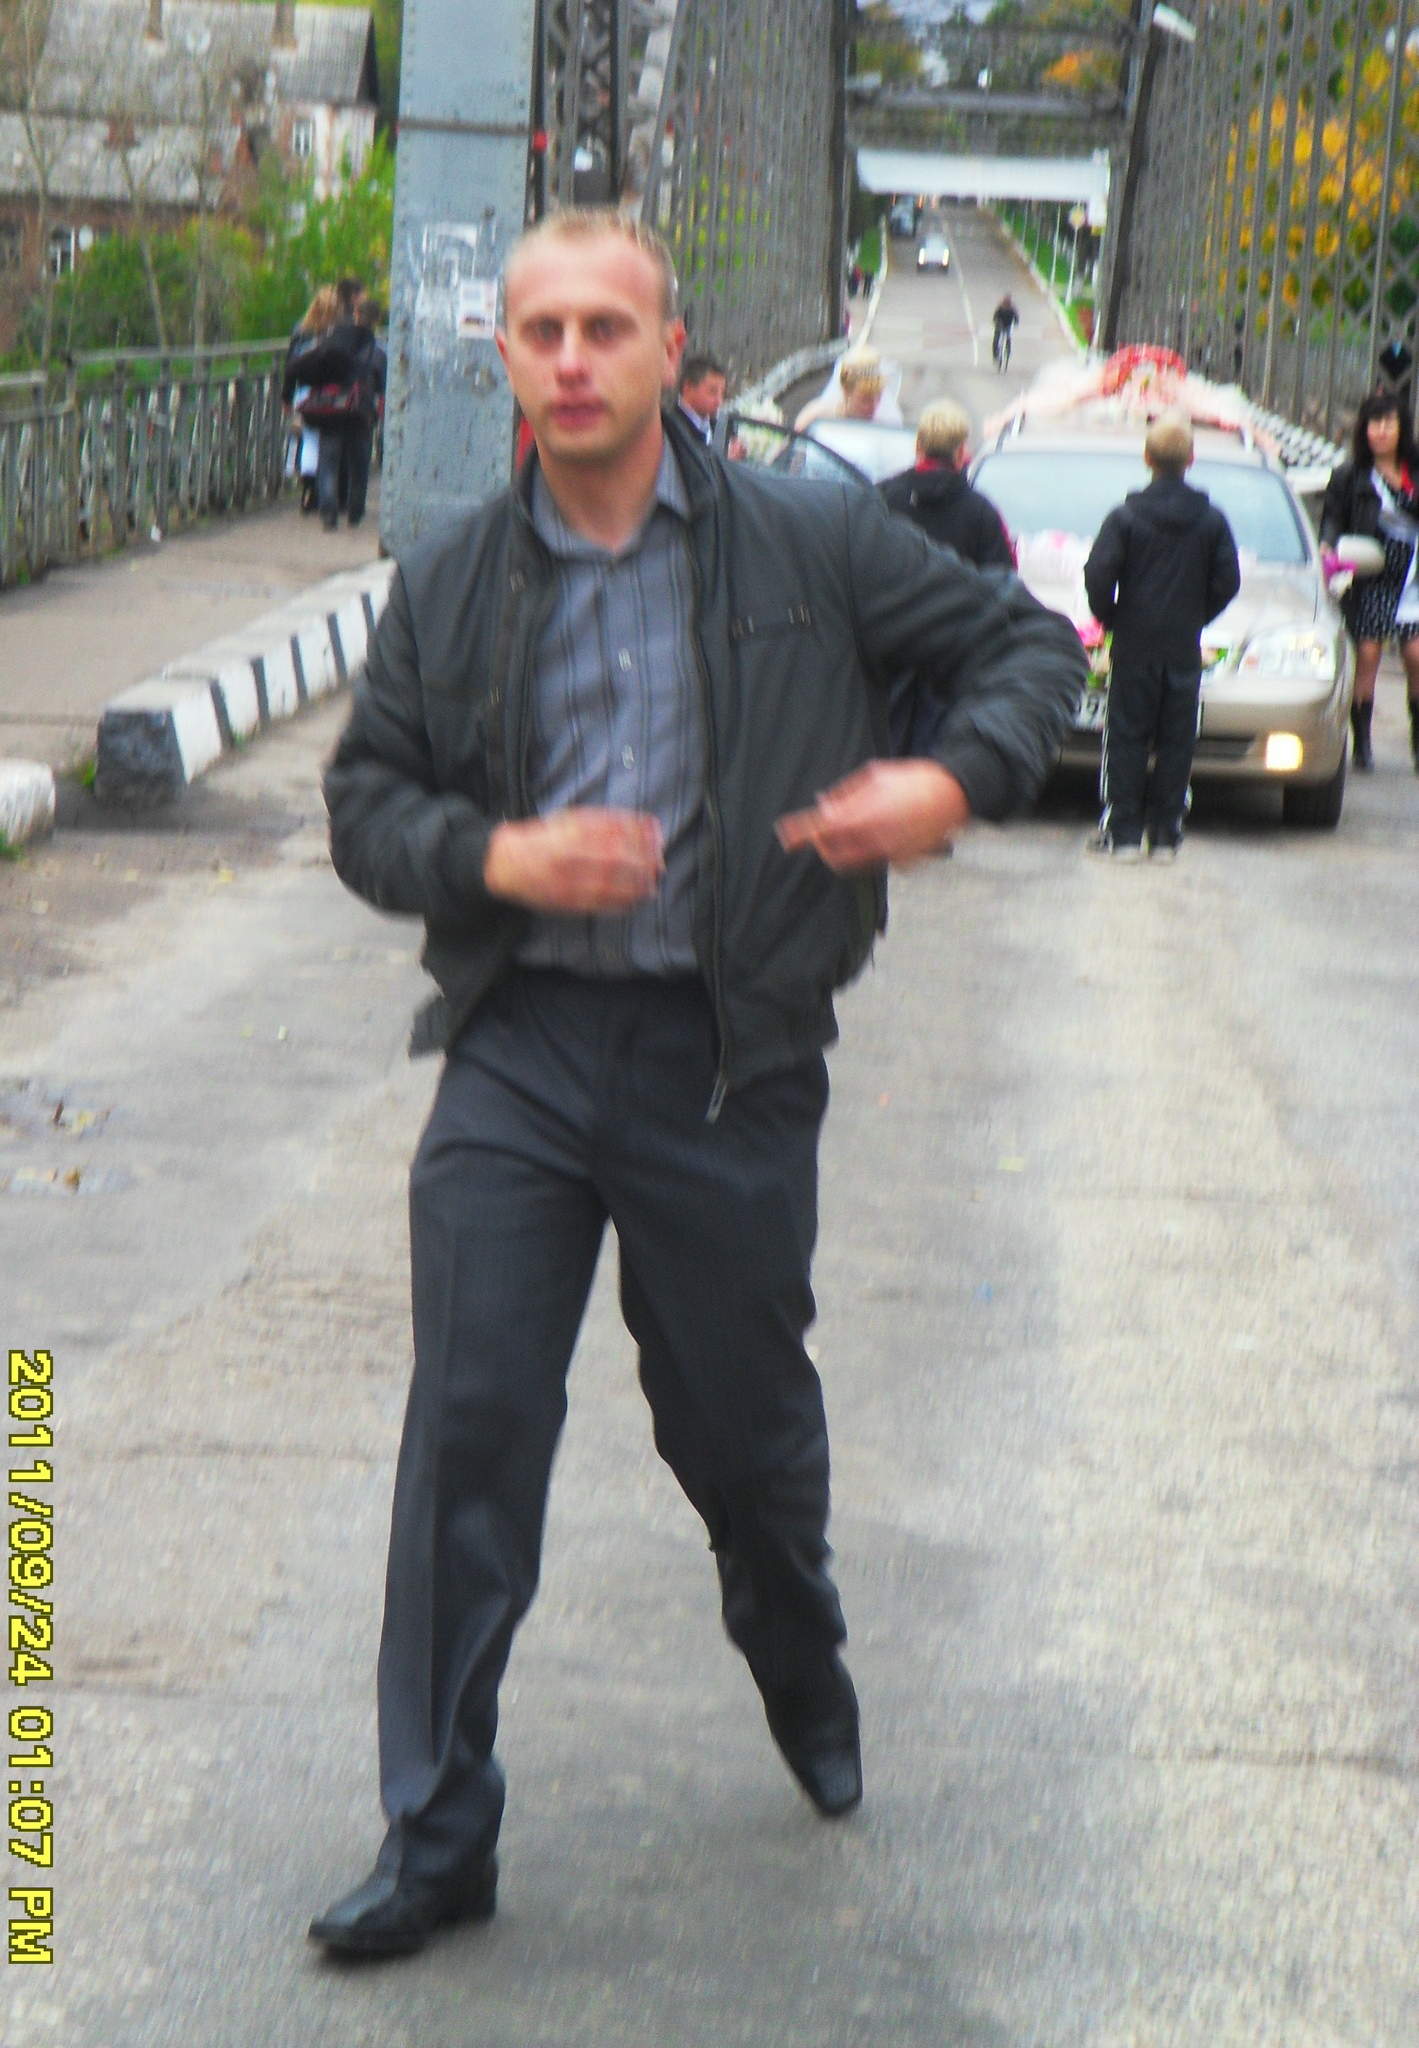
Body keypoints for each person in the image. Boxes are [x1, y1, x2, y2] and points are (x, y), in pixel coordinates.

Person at [312, 206, 1084, 1962]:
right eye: (542, 332)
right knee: (470, 1426)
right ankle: (437, 1832)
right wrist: (497, 855)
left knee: (738, 1431)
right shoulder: (451, 581)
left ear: (671, 351)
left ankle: (796, 1646)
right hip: (520, 1049)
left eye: (607, 328)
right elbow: (365, 808)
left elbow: (1032, 652)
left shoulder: (814, 539)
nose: (573, 359)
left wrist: (947, 783)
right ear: (504, 358)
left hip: (728, 1060)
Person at [1083, 412, 1241, 861]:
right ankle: (1166, 836)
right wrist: (1197, 616)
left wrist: (1113, 617)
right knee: (1177, 741)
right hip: (1183, 646)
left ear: (1147, 458)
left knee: (1126, 737)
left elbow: (1098, 574)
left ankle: (1124, 836)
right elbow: (1228, 580)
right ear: (1191, 460)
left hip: (1134, 645)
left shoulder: (1125, 517)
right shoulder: (1211, 520)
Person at [1319, 384, 1419, 772]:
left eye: (1388, 423)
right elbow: (1333, 517)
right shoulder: (1351, 475)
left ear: (1401, 426)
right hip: (1372, 574)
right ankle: (1361, 742)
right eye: (1373, 423)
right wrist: (1329, 546)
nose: (1380, 431)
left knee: (1415, 655)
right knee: (1369, 652)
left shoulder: (1413, 470)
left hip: (1412, 576)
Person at [881, 399, 1014, 571]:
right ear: (960, 453)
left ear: (918, 445)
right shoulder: (982, 513)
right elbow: (1004, 576)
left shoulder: (882, 499)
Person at [292, 291, 385, 530]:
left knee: (329, 461)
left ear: (355, 314)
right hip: (361, 410)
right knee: (359, 463)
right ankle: (355, 510)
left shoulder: (333, 340)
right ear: (377, 320)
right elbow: (381, 388)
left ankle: (329, 512)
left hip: (331, 407)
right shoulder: (378, 350)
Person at [283, 285, 340, 515]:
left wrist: (287, 396)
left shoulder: (301, 331)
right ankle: (327, 493)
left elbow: (291, 365)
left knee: (309, 440)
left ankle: (308, 488)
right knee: (331, 443)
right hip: (332, 393)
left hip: (305, 393)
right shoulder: (339, 331)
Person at [794, 348, 897, 432]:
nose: (874, 407)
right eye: (866, 399)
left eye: (878, 398)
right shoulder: (815, 418)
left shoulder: (885, 428)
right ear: (847, 391)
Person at [676, 351, 726, 444]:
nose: (719, 401)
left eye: (722, 394)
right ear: (688, 387)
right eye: (713, 391)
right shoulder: (671, 428)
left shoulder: (714, 426)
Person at [991, 295, 1018, 370]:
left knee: (1008, 337)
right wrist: (996, 322)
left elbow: (1016, 317)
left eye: (1007, 303)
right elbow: (995, 317)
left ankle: (1008, 350)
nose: (1006, 305)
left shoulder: (1012, 309)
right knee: (996, 339)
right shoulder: (1000, 308)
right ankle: (995, 354)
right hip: (1000, 325)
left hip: (1008, 325)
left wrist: (1016, 322)